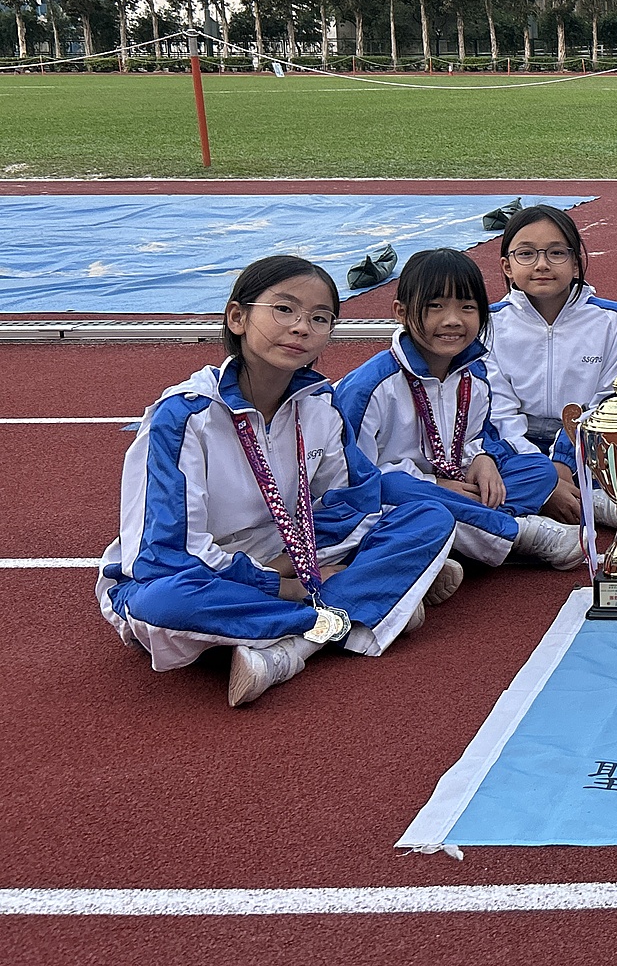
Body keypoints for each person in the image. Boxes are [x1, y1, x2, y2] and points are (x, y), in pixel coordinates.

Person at [96, 256, 459, 708]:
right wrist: (282, 585)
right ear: (237, 317)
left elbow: (354, 501)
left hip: (293, 552)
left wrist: (293, 564)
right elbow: (165, 555)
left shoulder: (319, 406)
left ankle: (292, 648)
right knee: (164, 604)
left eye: (320, 318)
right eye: (284, 310)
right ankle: (373, 603)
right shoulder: (185, 417)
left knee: (427, 517)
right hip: (208, 573)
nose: (302, 327)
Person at [335, 249, 583, 577]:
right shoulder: (370, 386)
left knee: (537, 471)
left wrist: (482, 459)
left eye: (467, 307)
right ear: (401, 312)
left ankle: (449, 543)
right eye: (435, 306)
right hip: (397, 495)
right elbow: (353, 480)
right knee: (394, 487)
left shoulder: (474, 375)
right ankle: (514, 533)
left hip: (455, 483)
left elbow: (478, 436)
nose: (452, 320)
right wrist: (433, 484)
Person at [484, 204, 617, 528]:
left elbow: (609, 403)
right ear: (507, 266)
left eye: (556, 253)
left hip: (587, 445)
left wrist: (564, 460)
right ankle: (567, 500)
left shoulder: (612, 320)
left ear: (575, 264)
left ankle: (552, 500)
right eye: (526, 254)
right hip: (516, 447)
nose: (542, 264)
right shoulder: (489, 324)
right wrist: (544, 472)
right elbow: (496, 412)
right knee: (479, 467)